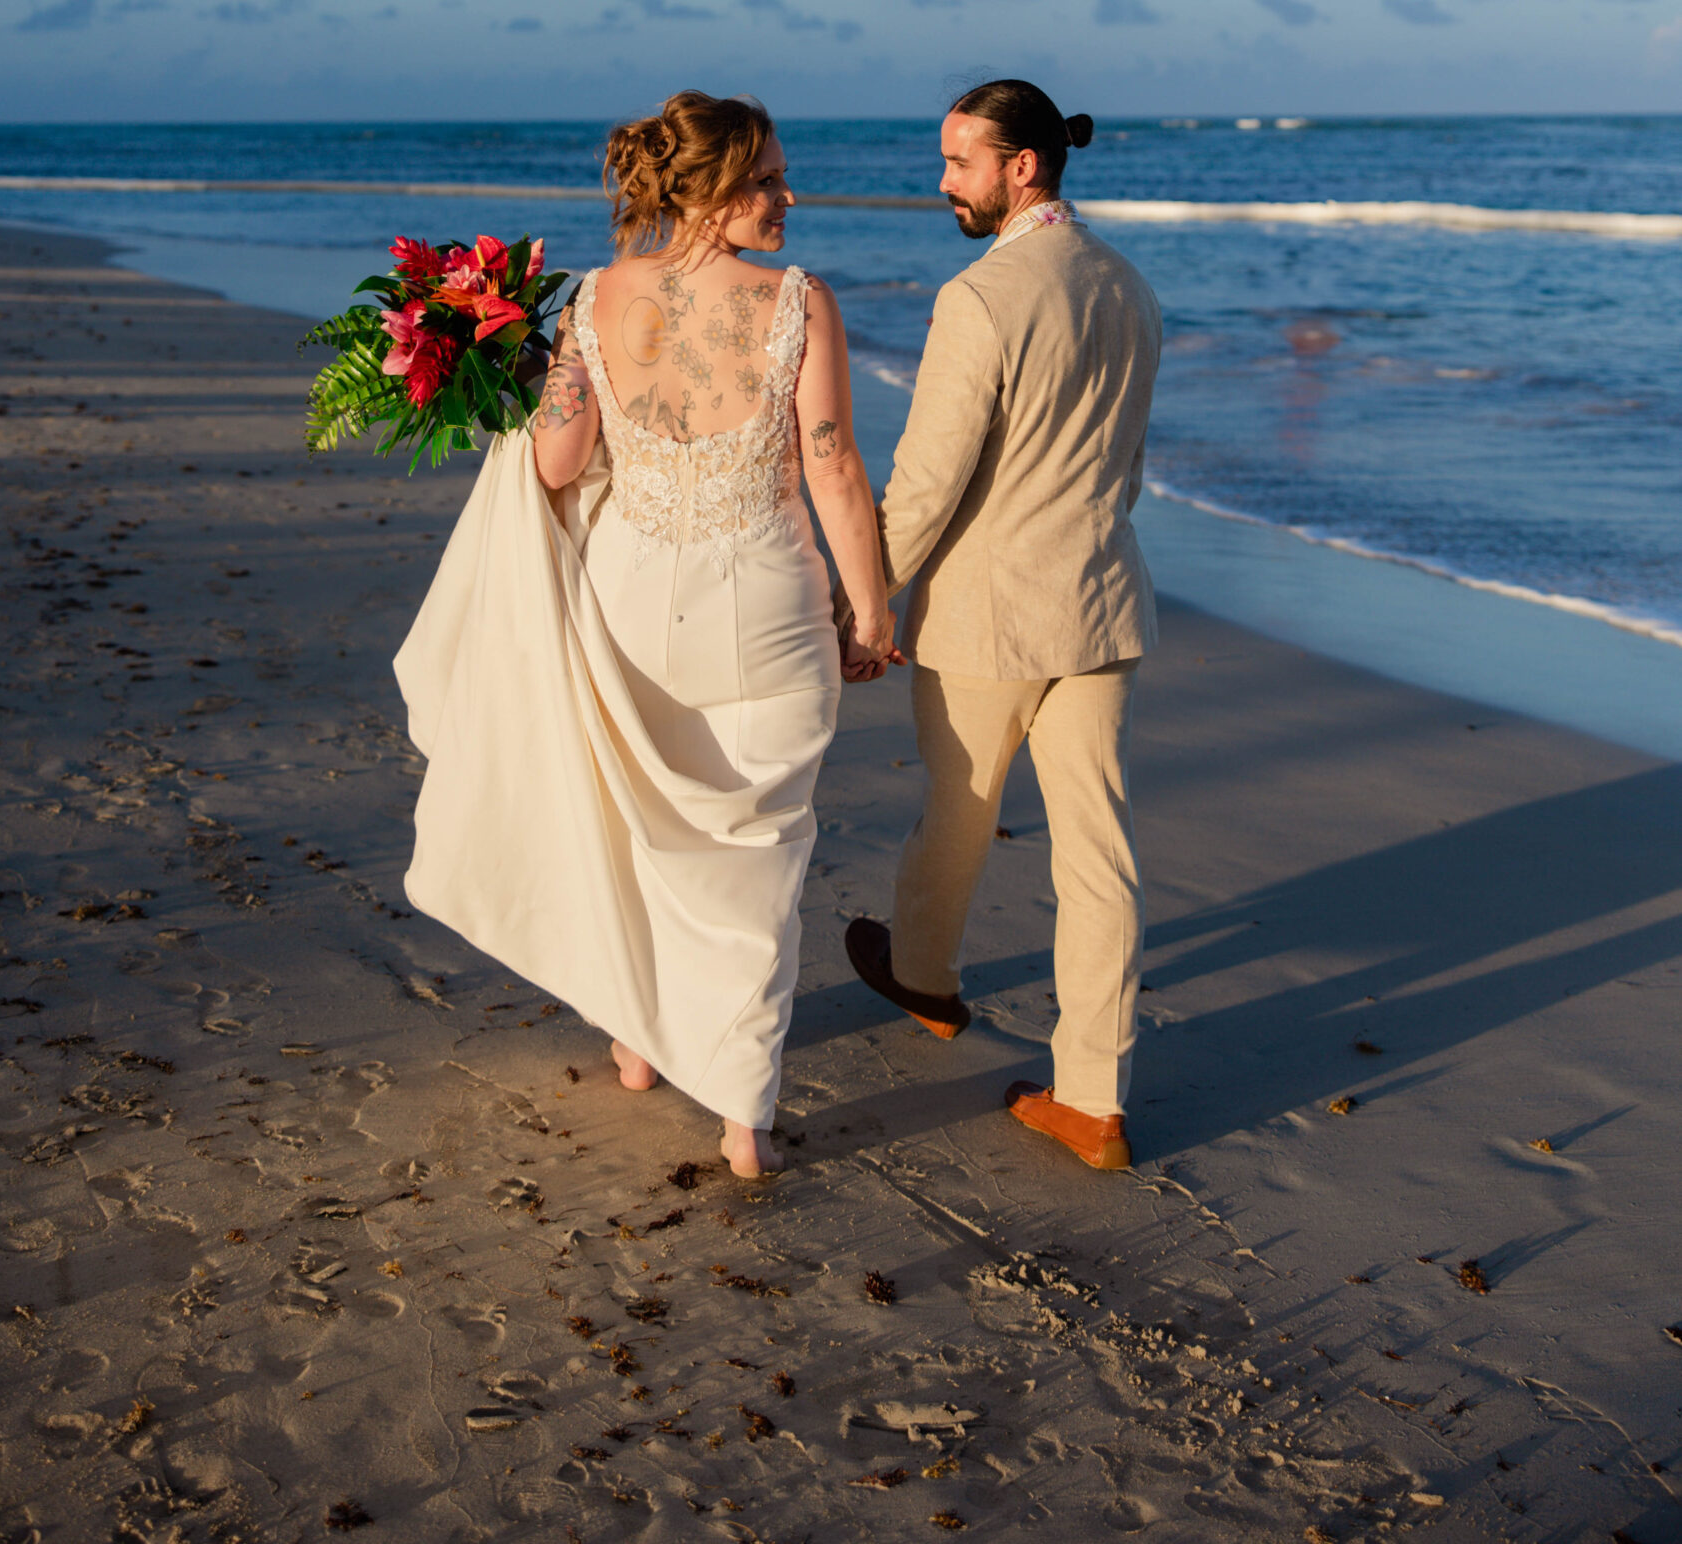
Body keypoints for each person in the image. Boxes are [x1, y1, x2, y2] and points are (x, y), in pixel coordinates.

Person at [396, 93, 893, 1180]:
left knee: (638, 826)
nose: (787, 195)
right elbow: (833, 463)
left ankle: (636, 1041)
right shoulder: (801, 302)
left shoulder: (591, 300)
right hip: (762, 605)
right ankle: (742, 1123)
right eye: (767, 178)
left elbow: (560, 462)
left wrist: (500, 392)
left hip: (627, 598)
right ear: (711, 188)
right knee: (759, 854)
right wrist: (872, 609)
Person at [841, 80, 1162, 1171]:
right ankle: (1095, 1097)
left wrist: (870, 593)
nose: (944, 182)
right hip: (1102, 596)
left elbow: (928, 478)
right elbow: (1128, 467)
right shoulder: (1130, 285)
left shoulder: (981, 297)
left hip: (989, 609)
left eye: (960, 162)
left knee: (962, 807)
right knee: (1099, 852)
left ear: (1021, 165)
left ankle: (926, 978)